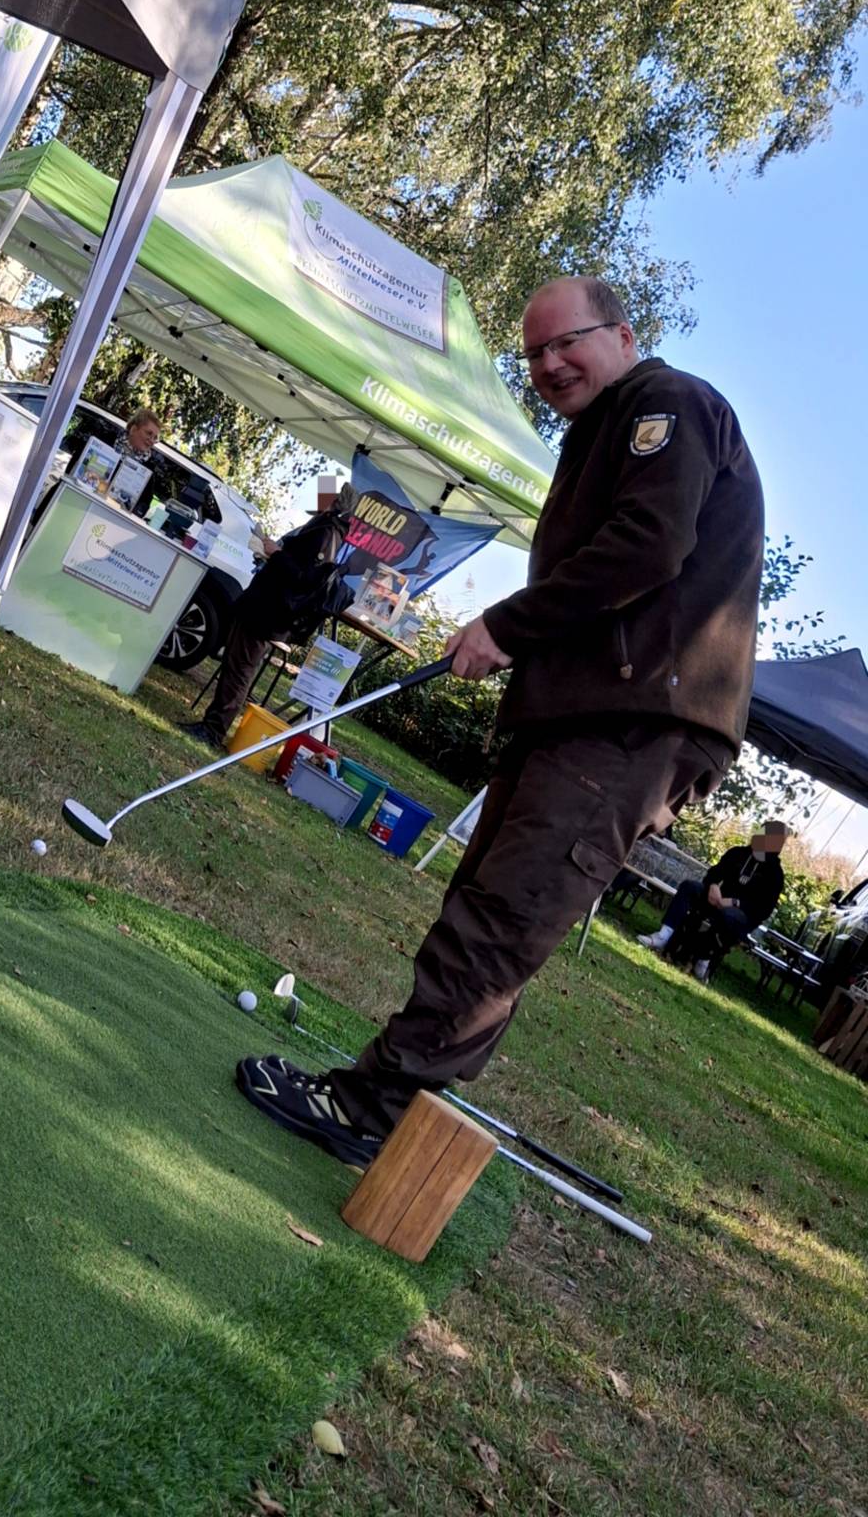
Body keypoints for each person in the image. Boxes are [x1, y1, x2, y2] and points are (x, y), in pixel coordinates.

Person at [237, 275, 765, 1165]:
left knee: (503, 915)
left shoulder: (665, 404)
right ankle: (393, 1110)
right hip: (593, 712)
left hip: (633, 718)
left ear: (625, 335)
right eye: (534, 355)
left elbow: (646, 548)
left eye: (568, 342)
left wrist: (505, 626)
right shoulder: (606, 428)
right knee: (492, 909)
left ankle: (369, 1110)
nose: (550, 364)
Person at [180, 486, 355, 749]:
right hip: (262, 603)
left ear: (335, 502)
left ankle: (214, 730)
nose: (319, 495)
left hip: (271, 611)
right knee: (234, 665)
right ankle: (211, 724)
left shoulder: (327, 532)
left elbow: (305, 579)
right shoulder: (323, 526)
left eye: (325, 493)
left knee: (239, 671)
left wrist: (276, 553)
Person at [639, 822, 790, 978]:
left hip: (741, 915)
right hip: (716, 900)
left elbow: (763, 909)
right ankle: (663, 936)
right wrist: (713, 886)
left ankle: (704, 959)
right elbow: (714, 873)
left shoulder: (775, 874)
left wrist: (734, 902)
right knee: (690, 887)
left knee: (728, 915)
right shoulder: (738, 853)